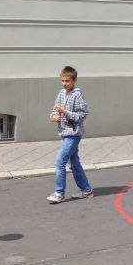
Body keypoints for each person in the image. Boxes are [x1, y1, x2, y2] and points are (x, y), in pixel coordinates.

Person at [47, 66, 92, 202]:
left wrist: (65, 112)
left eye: (67, 81)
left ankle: (59, 193)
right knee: (74, 163)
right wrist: (53, 117)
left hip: (74, 134)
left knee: (60, 161)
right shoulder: (61, 93)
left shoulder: (77, 94)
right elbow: (55, 110)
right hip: (64, 133)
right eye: (62, 81)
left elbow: (82, 115)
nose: (64, 83)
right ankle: (86, 190)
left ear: (74, 80)